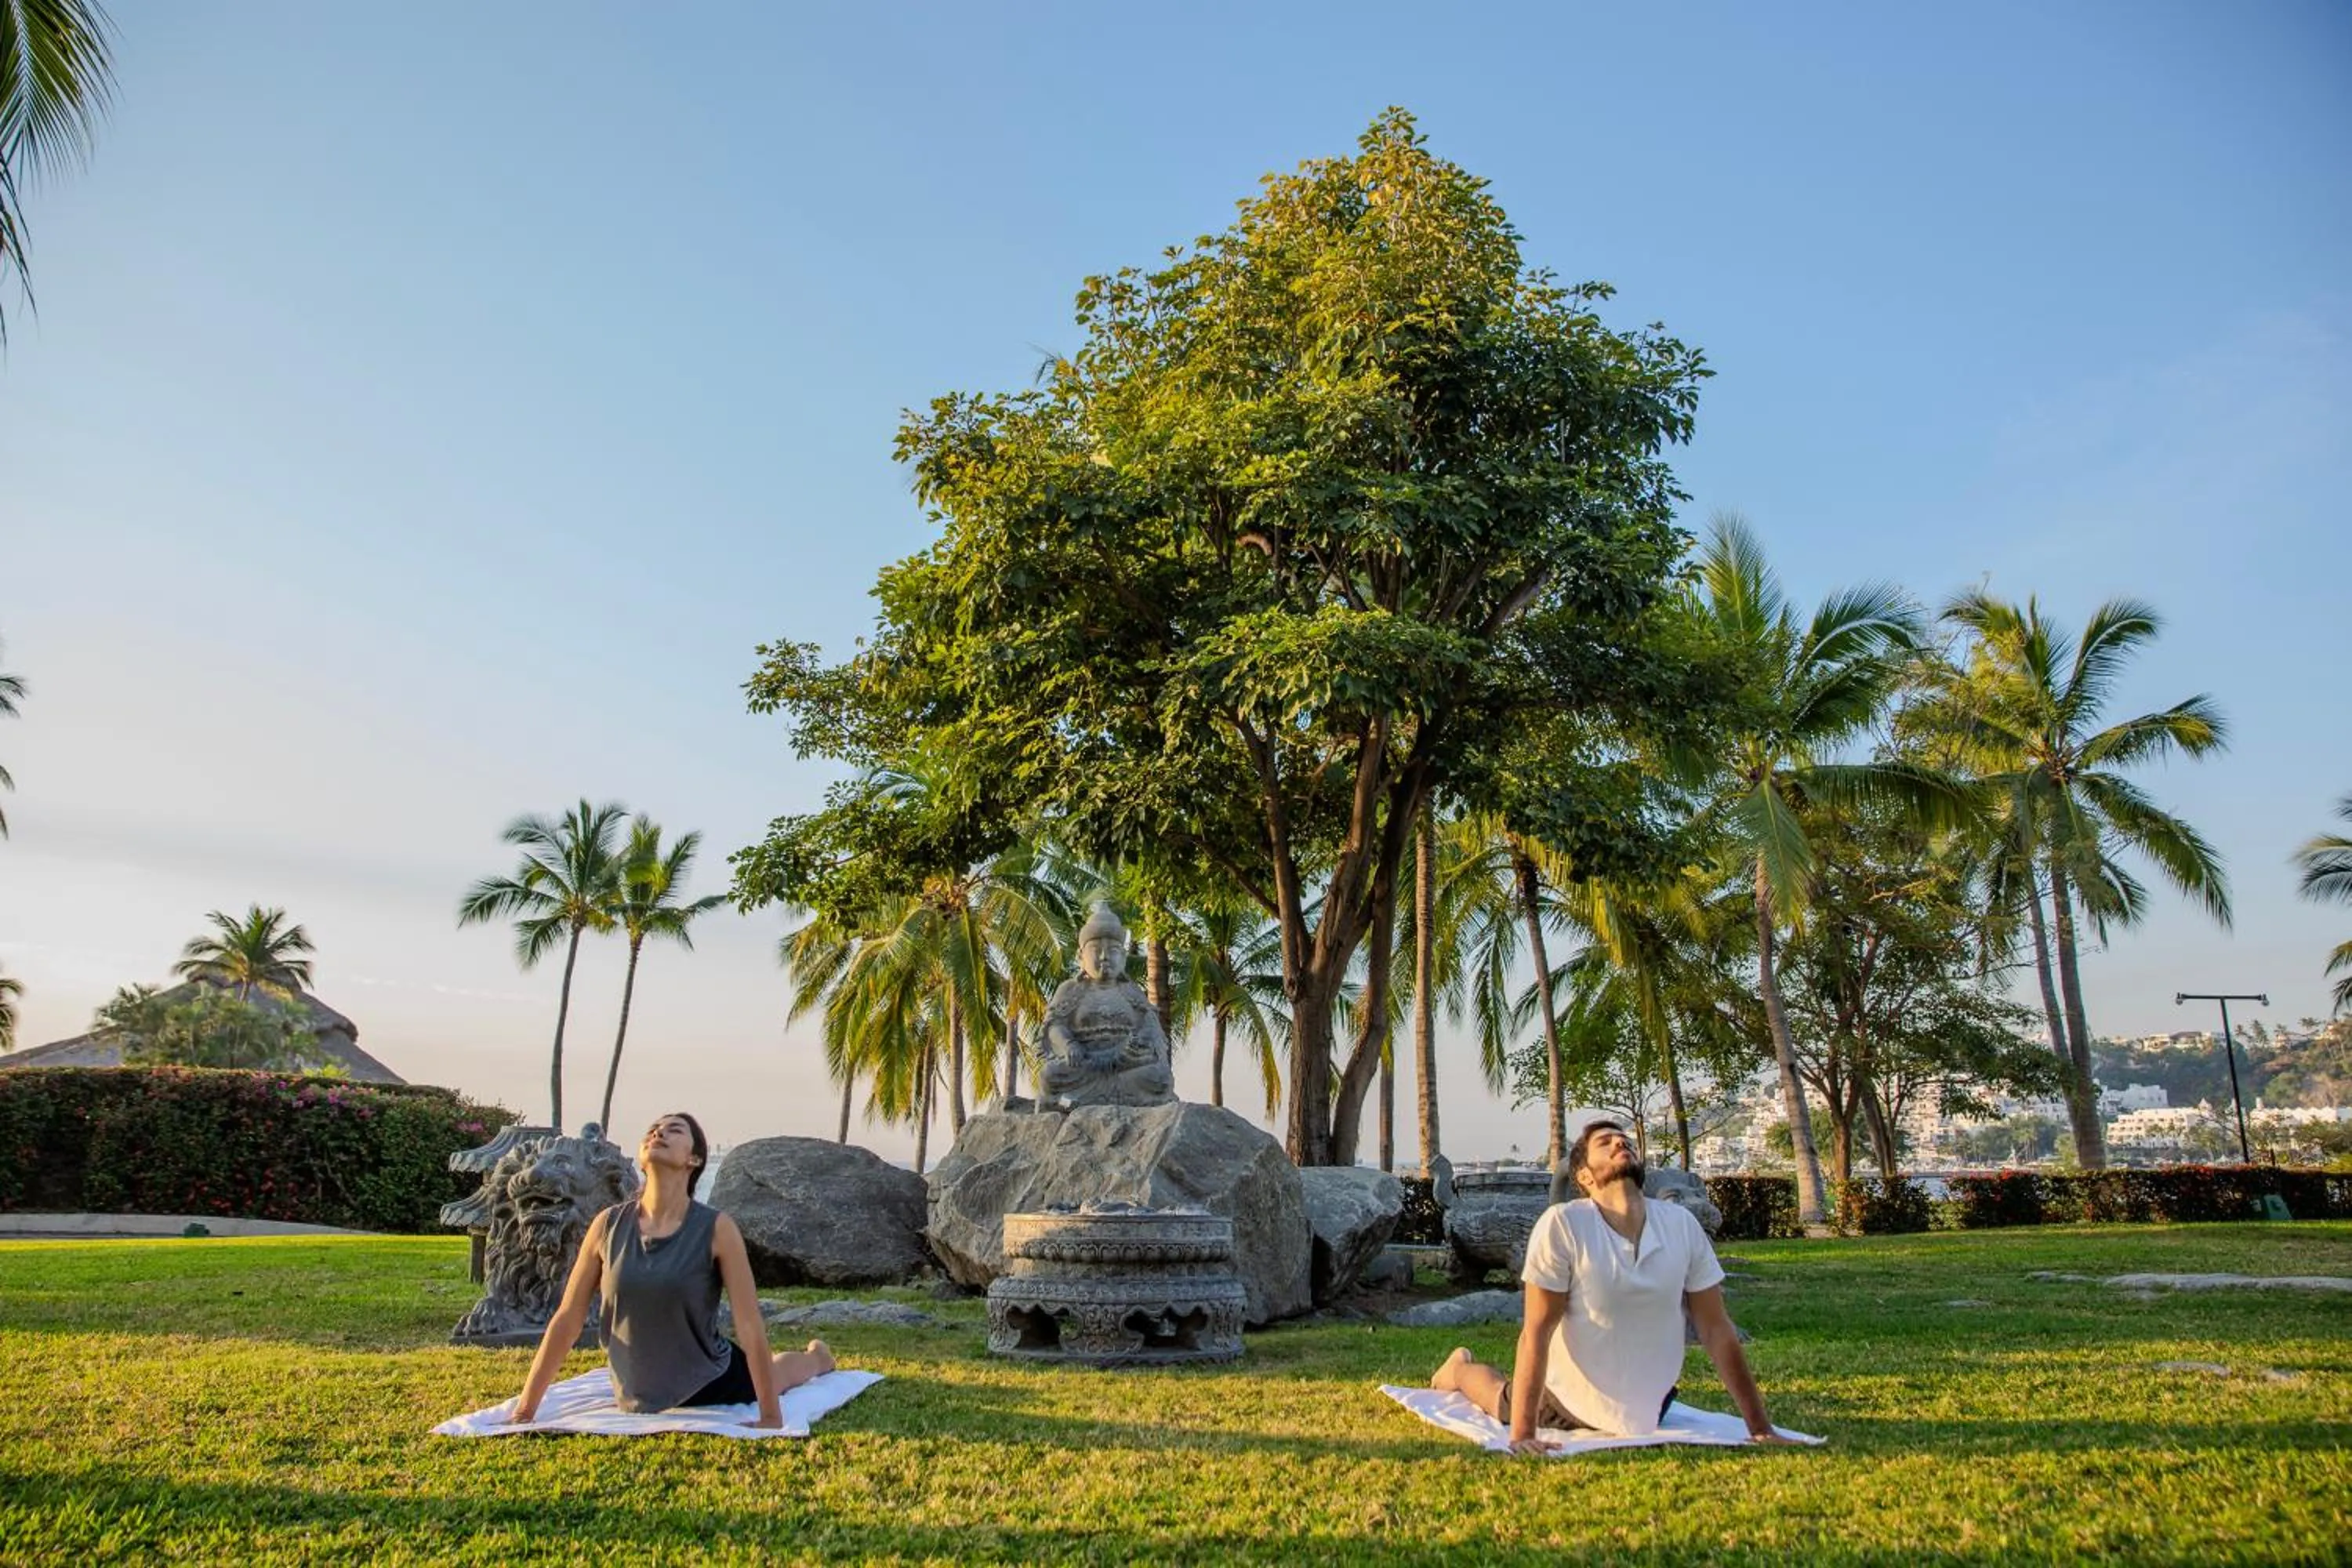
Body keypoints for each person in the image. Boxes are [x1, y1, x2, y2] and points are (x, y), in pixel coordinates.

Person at [1429, 1119, 1795, 1452]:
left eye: (1625, 1141)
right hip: (1569, 1400)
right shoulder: (1564, 1224)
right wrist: (1523, 1435)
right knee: (1499, 1398)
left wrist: (1760, 1427)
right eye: (1606, 1143)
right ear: (1585, 1177)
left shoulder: (1681, 1224)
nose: (1621, 1144)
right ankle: (1458, 1369)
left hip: (1654, 1405)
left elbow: (1716, 1329)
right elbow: (1537, 1331)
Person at [509, 1112, 833, 1428]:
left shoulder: (718, 1229)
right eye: (653, 1129)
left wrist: (771, 1417)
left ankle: (818, 1357)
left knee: (780, 1374)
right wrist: (525, 1410)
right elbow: (568, 1319)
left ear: (693, 1160)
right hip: (635, 1391)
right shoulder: (607, 1225)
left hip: (711, 1379)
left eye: (674, 1130)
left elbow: (748, 1323)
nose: (658, 1133)